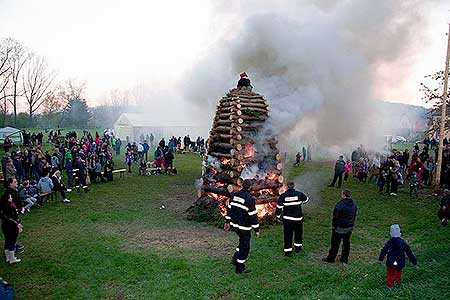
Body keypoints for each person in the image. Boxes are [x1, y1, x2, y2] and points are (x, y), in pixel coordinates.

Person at [224, 179, 260, 274]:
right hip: (244, 227)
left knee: (242, 242)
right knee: (245, 247)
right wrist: (256, 230)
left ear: (242, 186)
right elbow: (253, 216)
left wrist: (227, 221)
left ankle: (235, 258)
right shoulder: (250, 199)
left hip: (235, 225)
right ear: (250, 187)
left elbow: (229, 210)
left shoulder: (234, 195)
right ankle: (240, 267)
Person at [322, 189, 357, 264]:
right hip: (349, 228)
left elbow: (335, 217)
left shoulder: (340, 204)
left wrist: (334, 226)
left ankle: (331, 259)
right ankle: (344, 259)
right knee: (346, 244)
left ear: (344, 195)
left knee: (335, 244)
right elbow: (354, 215)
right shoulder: (354, 204)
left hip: (340, 228)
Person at [275, 181, 309, 256]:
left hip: (288, 220)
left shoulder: (283, 196)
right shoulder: (299, 194)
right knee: (298, 233)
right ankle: (298, 248)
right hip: (298, 219)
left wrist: (277, 216)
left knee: (288, 235)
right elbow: (306, 199)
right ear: (293, 186)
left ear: (286, 187)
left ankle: (288, 251)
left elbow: (279, 207)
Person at [379, 224, 417, 288]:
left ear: (390, 233)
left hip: (391, 262)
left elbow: (384, 250)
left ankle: (390, 284)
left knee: (390, 273)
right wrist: (414, 261)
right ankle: (396, 282)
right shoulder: (402, 243)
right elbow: (409, 252)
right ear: (399, 233)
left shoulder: (389, 242)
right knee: (398, 271)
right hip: (400, 262)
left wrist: (381, 258)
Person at [0, 178, 23, 264]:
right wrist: (17, 222)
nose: (16, 183)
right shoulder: (9, 195)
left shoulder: (7, 194)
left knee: (7, 240)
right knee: (12, 240)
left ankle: (8, 258)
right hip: (10, 222)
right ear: (10, 184)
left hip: (6, 222)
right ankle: (12, 258)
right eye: (14, 182)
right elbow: (11, 210)